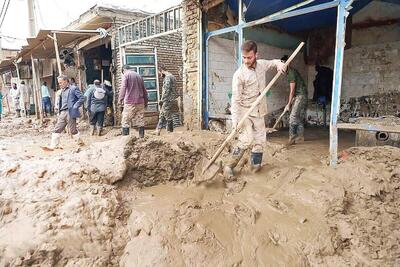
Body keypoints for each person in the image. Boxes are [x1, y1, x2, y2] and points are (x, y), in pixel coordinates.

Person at [223, 40, 286, 179]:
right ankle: (229, 166)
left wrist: (280, 64)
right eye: (244, 57)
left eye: (249, 57)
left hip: (259, 110)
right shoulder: (239, 75)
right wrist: (235, 121)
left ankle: (255, 166)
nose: (246, 60)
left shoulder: (262, 65)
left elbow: (274, 62)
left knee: (260, 139)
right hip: (244, 111)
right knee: (247, 139)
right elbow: (235, 100)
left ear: (256, 55)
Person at [43, 75, 85, 151]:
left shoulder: (73, 88)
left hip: (70, 112)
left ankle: (80, 142)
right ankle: (53, 146)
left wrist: (75, 106)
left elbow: (82, 98)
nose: (60, 84)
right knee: (57, 129)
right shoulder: (62, 91)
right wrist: (58, 111)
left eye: (61, 82)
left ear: (66, 81)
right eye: (59, 83)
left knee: (72, 130)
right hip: (62, 112)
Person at [281, 55, 308, 145]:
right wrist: (292, 100)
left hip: (301, 95)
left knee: (292, 116)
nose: (283, 66)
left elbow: (292, 91)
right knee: (297, 116)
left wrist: (288, 104)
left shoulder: (291, 73)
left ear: (288, 63)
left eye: (284, 63)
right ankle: (300, 137)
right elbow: (293, 91)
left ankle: (292, 138)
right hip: (299, 95)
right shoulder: (289, 72)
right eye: (281, 64)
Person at [118, 65, 148, 138]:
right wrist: (146, 101)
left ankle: (125, 140)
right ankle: (142, 138)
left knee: (125, 120)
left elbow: (123, 87)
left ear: (123, 70)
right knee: (140, 120)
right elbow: (144, 90)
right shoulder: (139, 76)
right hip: (140, 102)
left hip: (130, 102)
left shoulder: (126, 75)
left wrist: (120, 99)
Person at [152, 65, 178, 135]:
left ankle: (170, 131)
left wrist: (162, 100)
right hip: (169, 98)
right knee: (162, 114)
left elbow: (166, 90)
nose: (160, 75)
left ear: (162, 71)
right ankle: (158, 130)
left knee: (167, 114)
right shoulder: (172, 76)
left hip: (167, 99)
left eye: (159, 73)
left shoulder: (168, 77)